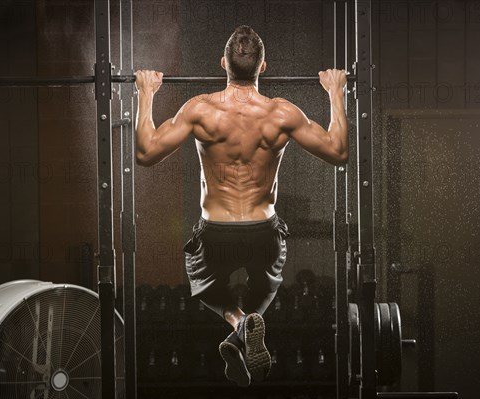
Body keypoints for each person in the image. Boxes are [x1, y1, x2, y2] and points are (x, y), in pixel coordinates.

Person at [135, 25, 348, 387]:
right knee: (266, 286)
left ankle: (238, 322)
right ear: (263, 67)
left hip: (215, 228)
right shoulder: (282, 114)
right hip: (262, 228)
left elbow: (146, 153)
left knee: (203, 284)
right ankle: (245, 326)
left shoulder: (200, 109)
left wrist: (146, 94)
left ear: (223, 64)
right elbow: (338, 152)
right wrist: (335, 93)